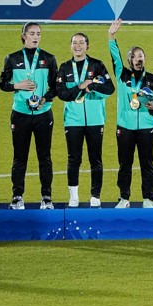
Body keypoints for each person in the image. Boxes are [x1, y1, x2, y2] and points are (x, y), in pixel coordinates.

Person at [0, 22, 57, 210]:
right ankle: (17, 197)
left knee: (44, 157)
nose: (35, 37)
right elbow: (2, 84)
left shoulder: (48, 58)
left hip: (43, 114)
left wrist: (44, 99)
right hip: (20, 115)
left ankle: (46, 197)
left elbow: (56, 87)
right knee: (19, 157)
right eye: (32, 33)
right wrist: (18, 86)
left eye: (38, 34)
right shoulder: (12, 58)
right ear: (23, 35)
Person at [108, 19, 153, 209]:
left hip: (147, 126)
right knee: (125, 165)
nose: (139, 59)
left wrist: (152, 107)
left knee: (147, 165)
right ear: (130, 60)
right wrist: (111, 36)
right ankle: (124, 198)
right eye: (135, 56)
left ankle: (148, 199)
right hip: (125, 126)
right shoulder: (122, 74)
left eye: (141, 56)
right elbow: (115, 57)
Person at [57, 32, 114, 208]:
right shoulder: (65, 67)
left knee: (95, 158)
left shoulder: (97, 65)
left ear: (87, 46)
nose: (78, 45)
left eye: (81, 42)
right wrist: (80, 87)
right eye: (74, 42)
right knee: (74, 159)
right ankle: (73, 196)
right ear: (71, 46)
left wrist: (93, 86)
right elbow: (62, 94)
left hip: (96, 119)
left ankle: (95, 195)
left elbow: (110, 89)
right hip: (73, 121)